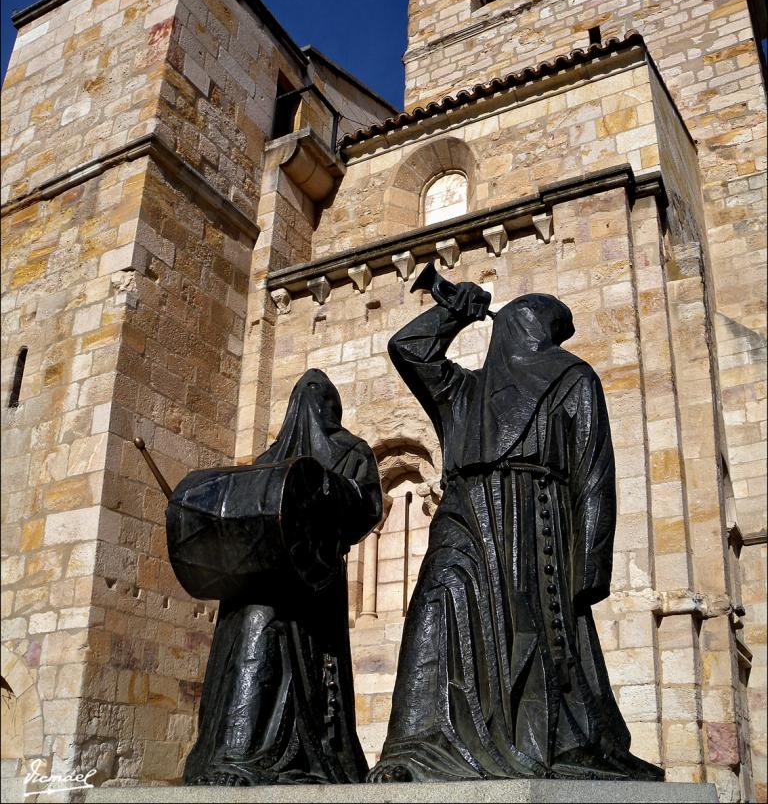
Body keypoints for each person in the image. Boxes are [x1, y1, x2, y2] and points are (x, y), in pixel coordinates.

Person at [369, 285, 663, 783]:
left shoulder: (574, 378)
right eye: (550, 330)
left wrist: (589, 565)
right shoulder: (464, 389)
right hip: (462, 516)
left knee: (528, 636)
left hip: (535, 520)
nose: (551, 343)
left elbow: (594, 474)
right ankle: (415, 748)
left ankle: (537, 745)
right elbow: (408, 348)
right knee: (433, 614)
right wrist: (451, 311)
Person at [169, 369, 382, 786]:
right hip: (260, 582)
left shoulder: (348, 452)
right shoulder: (270, 460)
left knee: (282, 653)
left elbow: (367, 507)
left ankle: (260, 757)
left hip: (310, 586)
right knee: (252, 643)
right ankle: (234, 755)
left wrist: (322, 495)